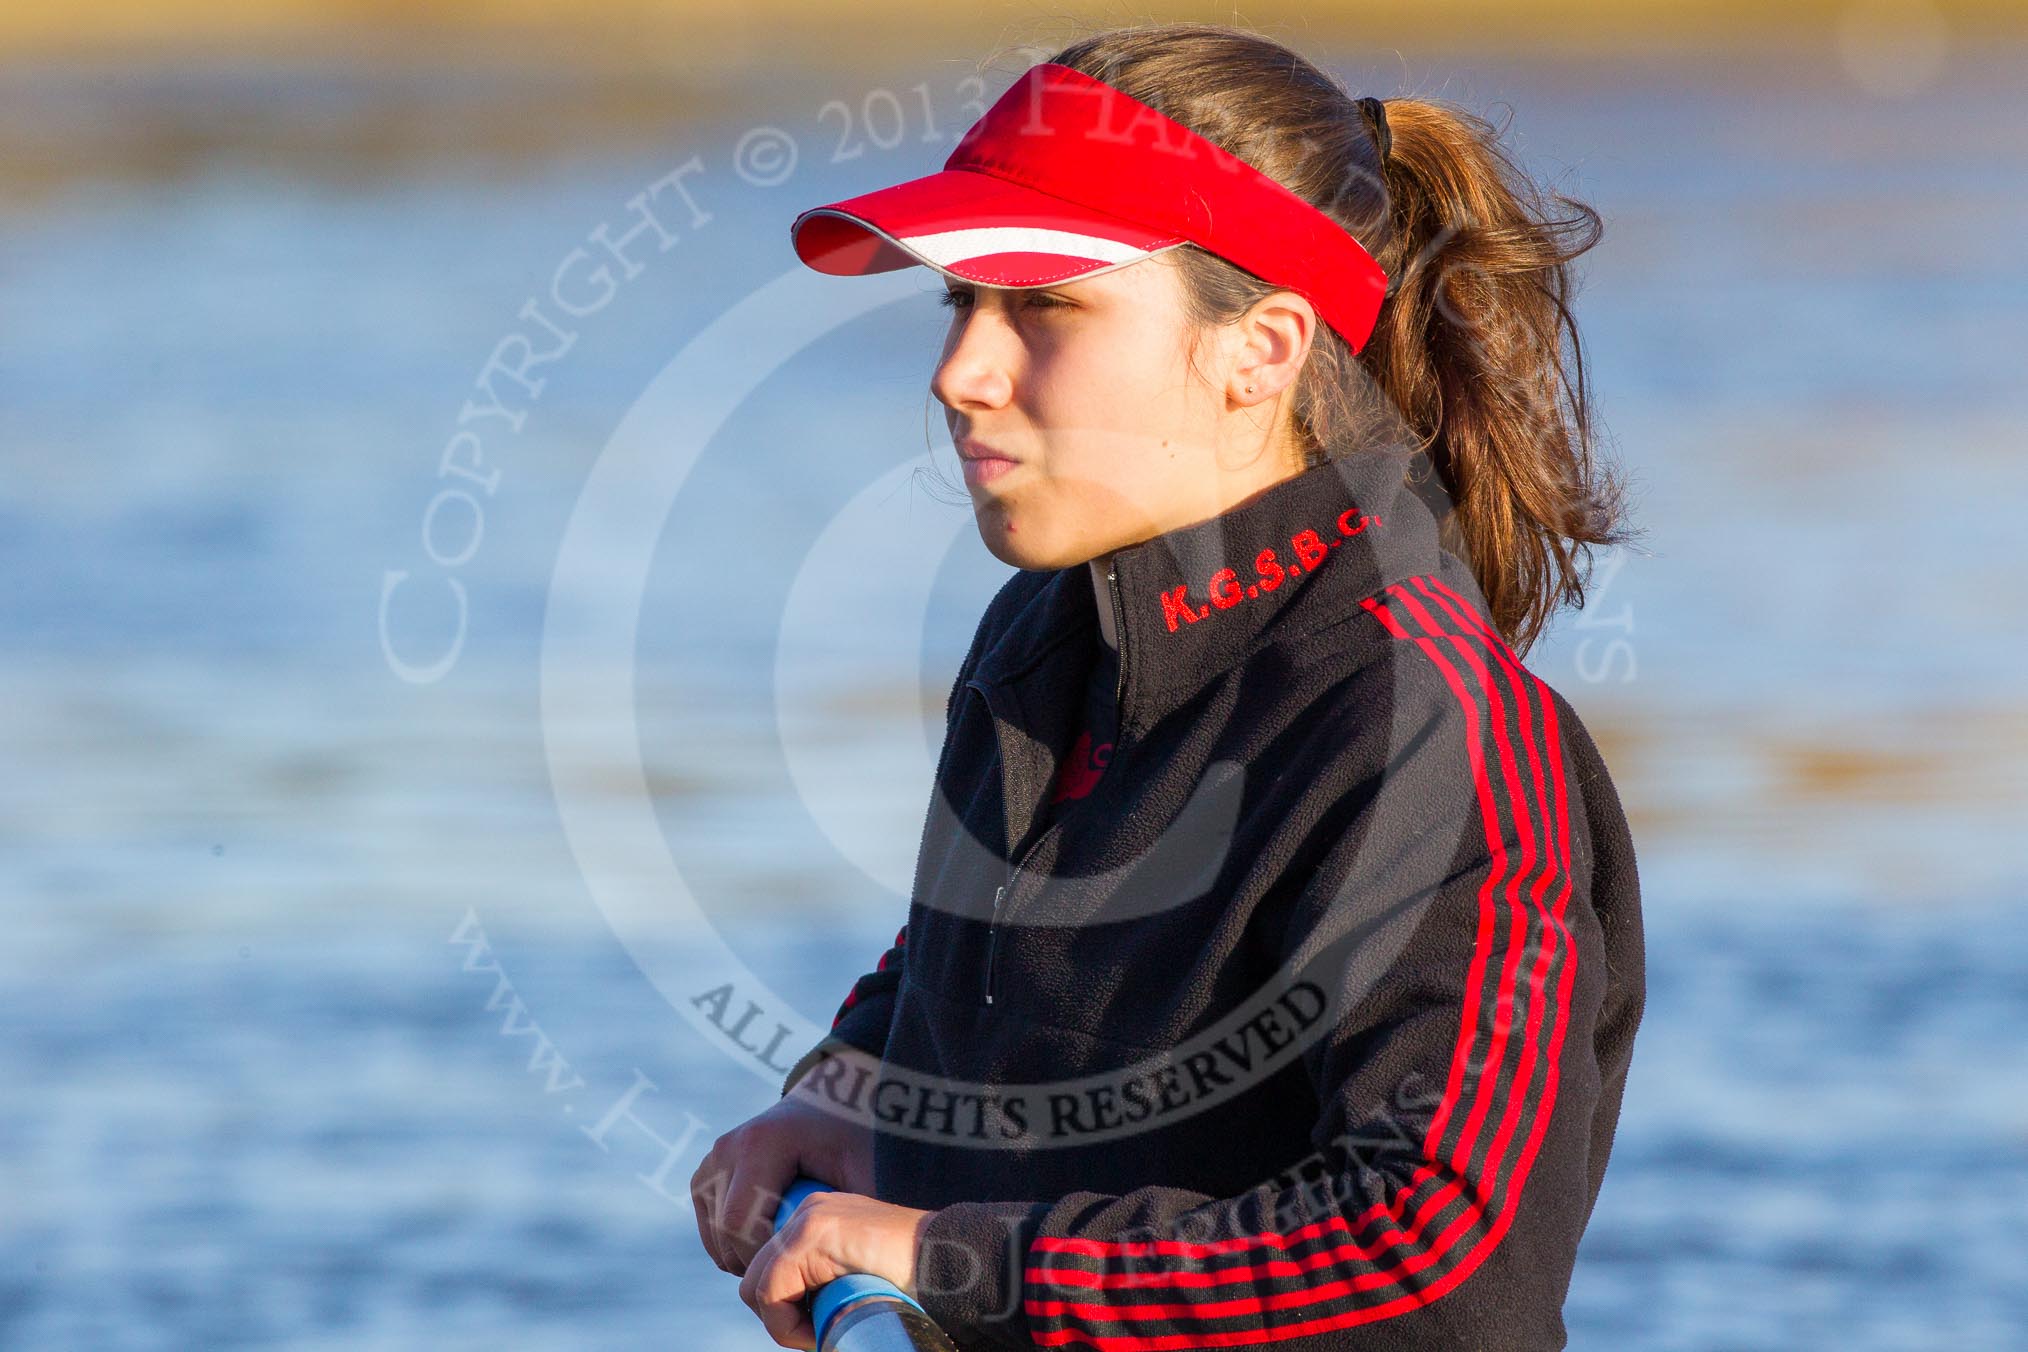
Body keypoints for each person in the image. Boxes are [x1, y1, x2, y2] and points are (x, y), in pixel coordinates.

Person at [693, 22, 1646, 1352]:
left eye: (1045, 306)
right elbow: (991, 958)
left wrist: (956, 1264)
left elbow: (1441, 1263)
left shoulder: (1430, 731)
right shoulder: (1044, 636)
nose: (959, 372)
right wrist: (864, 1087)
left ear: (1257, 349)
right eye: (960, 302)